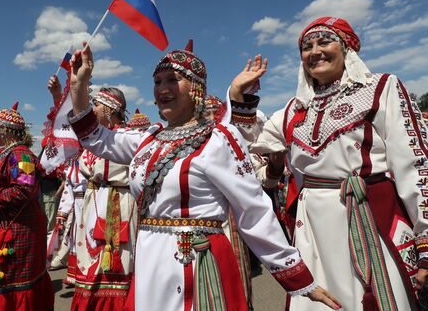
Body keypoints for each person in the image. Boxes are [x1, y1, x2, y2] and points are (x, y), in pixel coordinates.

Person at [68, 41, 341, 310]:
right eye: (157, 81)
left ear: (196, 87)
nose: (163, 88)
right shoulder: (148, 139)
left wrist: (298, 277)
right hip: (149, 260)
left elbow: (253, 211)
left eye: (173, 80)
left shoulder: (218, 140)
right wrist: (78, 86)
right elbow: (96, 138)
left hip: (194, 260)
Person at [230, 16, 428, 310]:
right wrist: (240, 97)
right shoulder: (293, 108)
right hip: (312, 227)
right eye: (307, 47)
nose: (315, 51)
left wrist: (425, 240)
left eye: (325, 41)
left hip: (369, 215)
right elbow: (245, 144)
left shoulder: (381, 88)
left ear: (347, 48)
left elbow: (414, 164)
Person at [48, 75, 137, 310]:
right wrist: (58, 96)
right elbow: (70, 124)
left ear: (109, 109)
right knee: (89, 260)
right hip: (92, 203)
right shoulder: (91, 141)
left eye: (96, 105)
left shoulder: (125, 139)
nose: (93, 109)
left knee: (116, 262)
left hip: (117, 204)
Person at [0, 103, 54, 311]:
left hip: (18, 231)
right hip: (5, 226)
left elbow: (24, 190)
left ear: (5, 130)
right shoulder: (6, 153)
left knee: (9, 281)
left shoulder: (21, 155)